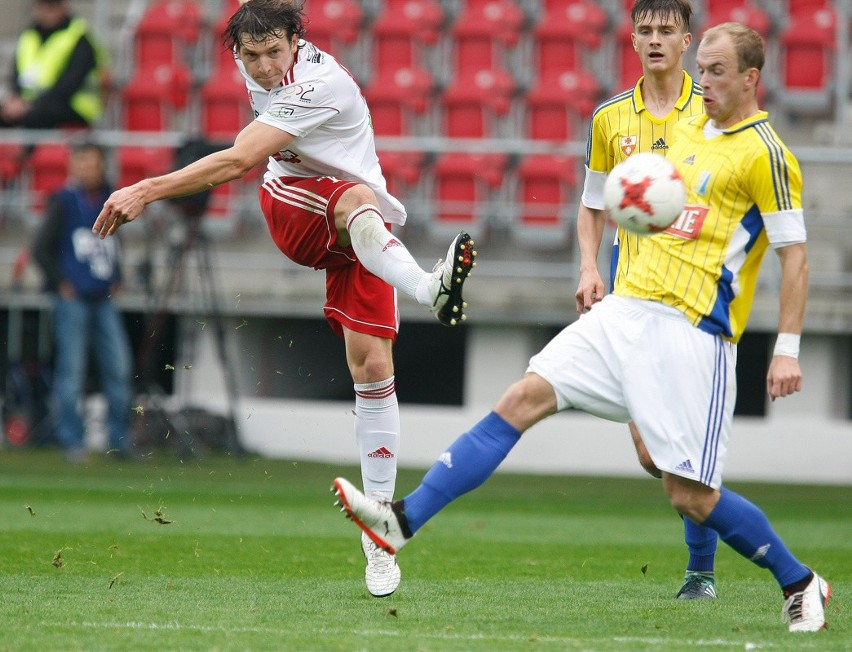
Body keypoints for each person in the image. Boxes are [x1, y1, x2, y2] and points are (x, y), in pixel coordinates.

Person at [332, 22, 832, 632]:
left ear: (751, 78)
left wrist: (787, 349)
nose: (703, 82)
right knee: (521, 398)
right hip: (625, 311)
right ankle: (400, 521)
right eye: (701, 69)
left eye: (717, 71)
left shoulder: (767, 153)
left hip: (693, 333)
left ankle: (800, 581)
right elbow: (634, 205)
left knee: (689, 495)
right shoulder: (685, 134)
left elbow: (795, 256)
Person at [91, 0, 476, 598]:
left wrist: (147, 187)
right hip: (295, 206)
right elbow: (255, 159)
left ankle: (379, 535)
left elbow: (238, 157)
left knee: (372, 368)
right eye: (253, 56)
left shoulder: (323, 84)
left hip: (361, 228)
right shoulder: (263, 56)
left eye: (276, 52)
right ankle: (429, 286)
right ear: (237, 55)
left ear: (298, 41)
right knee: (354, 202)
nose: (266, 68)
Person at [576, 0, 719, 600]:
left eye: (666, 31)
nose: (655, 39)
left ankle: (701, 572)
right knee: (649, 449)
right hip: (631, 298)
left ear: (687, 41)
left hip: (692, 298)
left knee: (679, 447)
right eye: (645, 30)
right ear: (632, 39)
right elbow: (591, 204)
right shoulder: (610, 118)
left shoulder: (713, 116)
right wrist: (589, 266)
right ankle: (711, 506)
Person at [32, 141, 133, 463]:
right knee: (71, 373)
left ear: (102, 166)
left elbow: (115, 243)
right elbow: (40, 248)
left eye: (92, 163)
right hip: (73, 298)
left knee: (118, 368)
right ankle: (72, 441)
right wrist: (59, 282)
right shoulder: (62, 202)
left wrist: (118, 275)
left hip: (102, 297)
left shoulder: (110, 198)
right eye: (81, 163)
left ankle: (119, 442)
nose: (86, 169)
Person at [1, 0, 106, 129]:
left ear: (64, 6)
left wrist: (31, 105)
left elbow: (70, 82)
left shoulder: (79, 36)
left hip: (73, 106)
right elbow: (17, 73)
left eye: (52, 5)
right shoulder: (29, 35)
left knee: (37, 116)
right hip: (34, 104)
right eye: (43, 5)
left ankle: (29, 149)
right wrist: (17, 100)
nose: (47, 10)